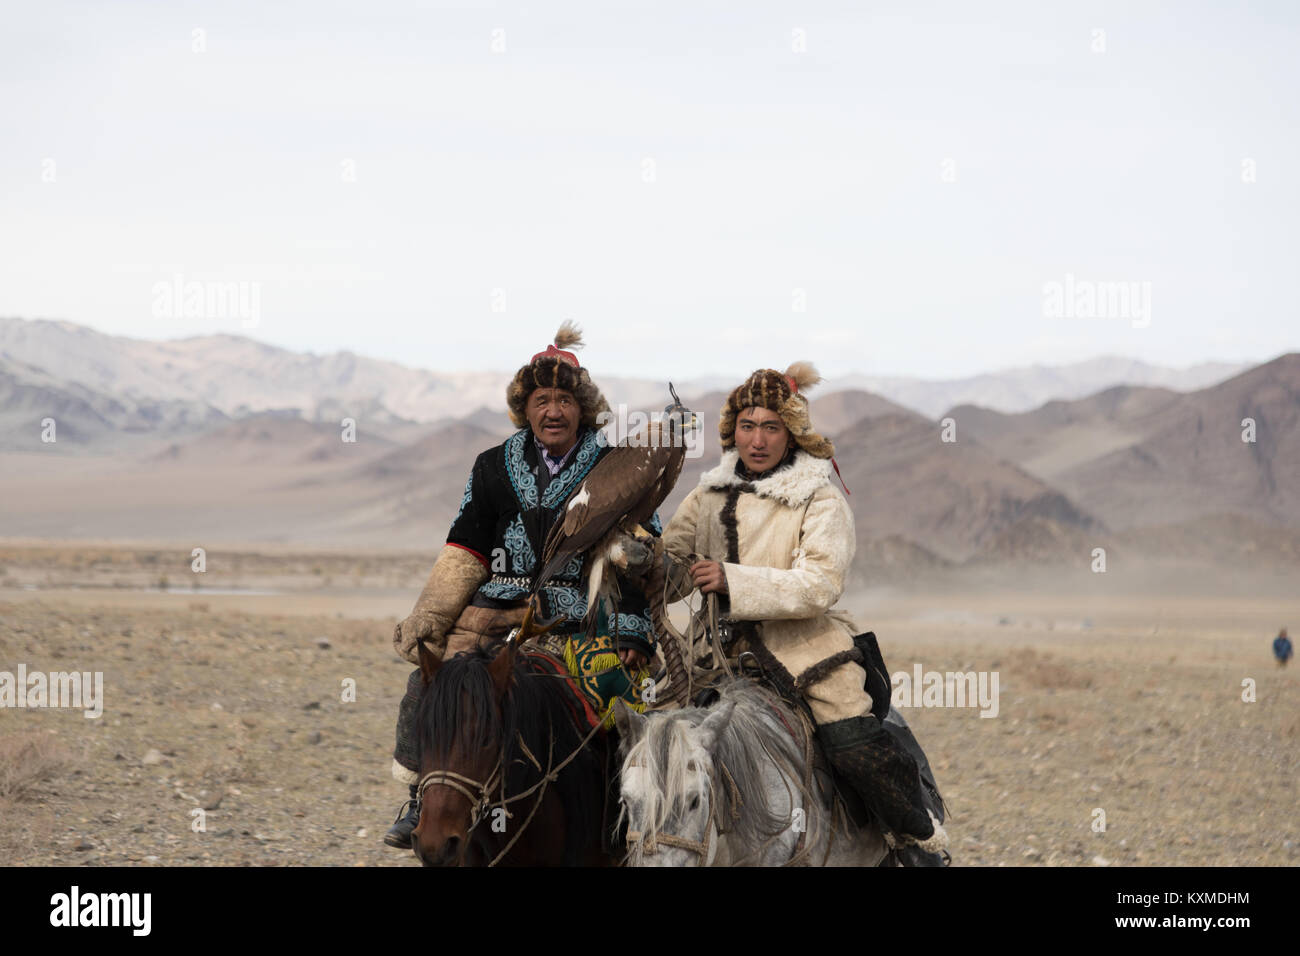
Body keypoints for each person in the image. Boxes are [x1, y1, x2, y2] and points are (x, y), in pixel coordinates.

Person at [383, 323, 658, 849]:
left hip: (579, 623)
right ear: (524, 408)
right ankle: (422, 801)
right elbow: (465, 549)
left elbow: (640, 556)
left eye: (563, 399)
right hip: (493, 619)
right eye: (540, 399)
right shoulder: (491, 467)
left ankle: (631, 822)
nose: (552, 410)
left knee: (627, 711)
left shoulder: (613, 468)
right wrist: (431, 620)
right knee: (431, 686)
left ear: (582, 407)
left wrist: (632, 634)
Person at [661, 362, 946, 853]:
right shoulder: (708, 494)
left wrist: (732, 579)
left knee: (855, 750)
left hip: (805, 653)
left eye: (770, 427)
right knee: (649, 741)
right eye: (747, 426)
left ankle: (916, 843)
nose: (757, 439)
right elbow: (671, 563)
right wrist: (643, 560)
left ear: (790, 434)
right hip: (713, 659)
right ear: (733, 431)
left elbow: (820, 584)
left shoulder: (819, 497)